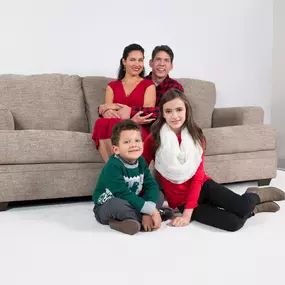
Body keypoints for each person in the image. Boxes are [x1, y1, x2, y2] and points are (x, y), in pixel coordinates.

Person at [142, 89, 285, 231]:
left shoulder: (196, 136)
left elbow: (198, 177)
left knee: (243, 207)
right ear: (162, 114)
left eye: (179, 109)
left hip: (203, 186)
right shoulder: (154, 139)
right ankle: (256, 210)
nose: (175, 116)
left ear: (186, 110)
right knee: (233, 223)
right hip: (181, 200)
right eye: (168, 111)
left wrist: (187, 215)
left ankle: (255, 195)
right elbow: (141, 168)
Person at [92, 119, 174, 235]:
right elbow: (122, 193)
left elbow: (151, 185)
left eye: (137, 140)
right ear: (116, 149)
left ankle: (137, 219)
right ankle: (154, 215)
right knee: (117, 205)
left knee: (158, 195)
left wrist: (147, 210)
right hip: (107, 206)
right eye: (127, 142)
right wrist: (151, 210)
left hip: (133, 200)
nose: (133, 145)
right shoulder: (113, 166)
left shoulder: (140, 161)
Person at [92, 43, 156, 162]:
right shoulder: (112, 86)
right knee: (101, 123)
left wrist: (132, 120)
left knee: (114, 124)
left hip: (138, 126)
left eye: (140, 60)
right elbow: (108, 114)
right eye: (132, 60)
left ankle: (118, 171)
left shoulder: (148, 85)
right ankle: (112, 167)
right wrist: (105, 110)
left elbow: (147, 114)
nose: (137, 64)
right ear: (124, 61)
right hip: (115, 126)